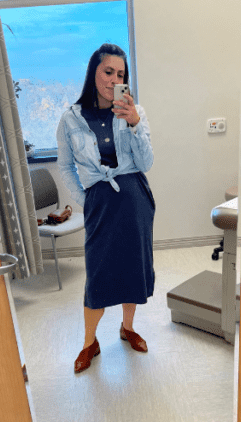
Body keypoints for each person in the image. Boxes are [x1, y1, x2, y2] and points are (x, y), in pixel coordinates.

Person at [56, 43, 156, 374]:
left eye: (120, 74)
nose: (114, 80)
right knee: (97, 278)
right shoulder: (70, 119)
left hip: (134, 200)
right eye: (108, 72)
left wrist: (135, 124)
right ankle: (89, 342)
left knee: (133, 269)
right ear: (94, 72)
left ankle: (127, 328)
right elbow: (66, 166)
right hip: (100, 203)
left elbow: (146, 163)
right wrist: (88, 200)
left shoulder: (134, 111)